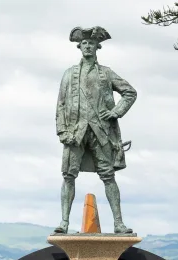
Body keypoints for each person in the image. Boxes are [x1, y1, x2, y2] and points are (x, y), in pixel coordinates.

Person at [55, 26, 137, 234]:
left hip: (101, 131)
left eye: (91, 43)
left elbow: (130, 93)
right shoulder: (69, 74)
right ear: (79, 47)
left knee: (108, 176)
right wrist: (62, 131)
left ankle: (118, 223)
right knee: (68, 175)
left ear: (97, 47)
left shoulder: (106, 73)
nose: (88, 47)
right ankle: (64, 222)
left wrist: (116, 112)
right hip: (76, 131)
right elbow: (61, 105)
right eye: (84, 43)